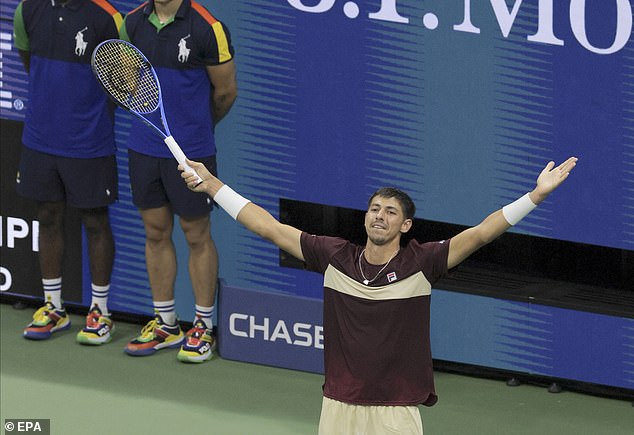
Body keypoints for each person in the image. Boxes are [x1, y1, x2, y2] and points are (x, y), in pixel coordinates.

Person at [180, 156, 578, 433]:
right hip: (338, 404)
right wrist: (212, 185)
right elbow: (268, 227)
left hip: (396, 410)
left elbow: (481, 233)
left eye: (390, 211)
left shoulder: (424, 262)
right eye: (374, 208)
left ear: (405, 225)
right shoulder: (334, 255)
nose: (379, 215)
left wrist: (536, 196)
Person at [120, 0, 237, 363]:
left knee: (196, 234)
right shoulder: (132, 22)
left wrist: (198, 129)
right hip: (144, 146)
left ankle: (203, 325)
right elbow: (126, 81)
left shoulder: (208, 27)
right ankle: (166, 323)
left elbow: (225, 92)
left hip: (192, 154)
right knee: (155, 231)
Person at [13, 0, 122, 344]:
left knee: (95, 221)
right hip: (40, 138)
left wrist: (85, 111)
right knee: (47, 215)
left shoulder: (107, 17)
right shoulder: (27, 10)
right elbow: (30, 62)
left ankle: (100, 311)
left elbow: (121, 82)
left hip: (89, 142)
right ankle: (53, 307)